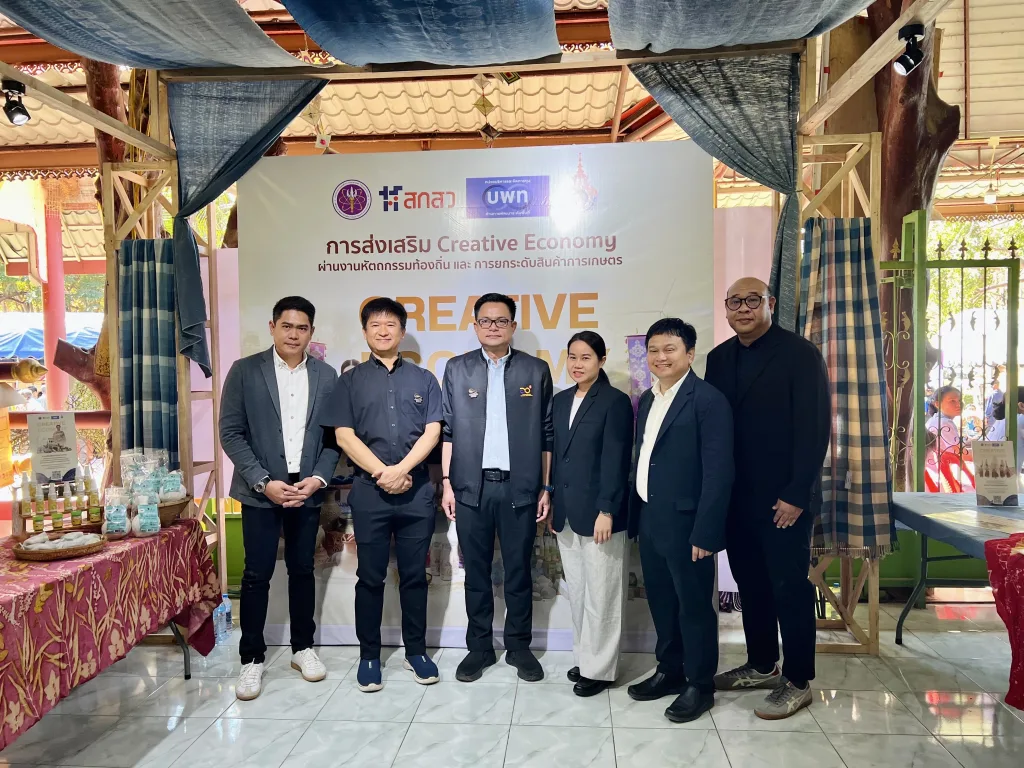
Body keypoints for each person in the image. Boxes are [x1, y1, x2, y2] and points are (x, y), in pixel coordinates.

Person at [705, 277, 830, 720]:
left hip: (784, 501)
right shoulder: (718, 358)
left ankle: (797, 680)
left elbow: (815, 428)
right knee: (750, 583)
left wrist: (797, 493)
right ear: (726, 308)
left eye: (752, 300)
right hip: (737, 497)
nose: (743, 308)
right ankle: (761, 664)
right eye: (735, 301)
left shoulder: (800, 354)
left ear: (770, 303)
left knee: (788, 588)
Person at [220, 296, 340, 701]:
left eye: (302, 327)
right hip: (261, 491)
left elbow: (333, 438)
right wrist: (262, 481)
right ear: (272, 327)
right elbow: (231, 432)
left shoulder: (326, 376)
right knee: (256, 575)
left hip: (305, 490)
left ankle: (302, 648)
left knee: (303, 569)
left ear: (311, 332)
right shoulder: (244, 371)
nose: (293, 334)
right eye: (286, 326)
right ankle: (251, 658)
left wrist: (318, 479)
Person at [321, 298, 443, 692]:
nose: (383, 330)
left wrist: (402, 470)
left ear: (402, 332)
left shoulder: (425, 379)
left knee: (415, 576)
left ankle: (416, 652)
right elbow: (344, 436)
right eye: (375, 325)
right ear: (365, 332)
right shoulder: (350, 381)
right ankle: (369, 656)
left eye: (391, 324)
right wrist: (383, 473)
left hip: (416, 492)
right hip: (369, 492)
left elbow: (433, 432)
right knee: (369, 577)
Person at [441, 292, 554, 683]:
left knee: (519, 571)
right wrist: (447, 484)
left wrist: (545, 486)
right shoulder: (456, 369)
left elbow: (546, 433)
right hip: (470, 487)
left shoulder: (535, 370)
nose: (493, 327)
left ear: (513, 326)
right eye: (485, 321)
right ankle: (479, 648)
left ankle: (519, 647)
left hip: (519, 488)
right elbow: (448, 431)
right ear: (475, 326)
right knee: (476, 573)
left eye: (501, 320)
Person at [627, 318, 734, 723]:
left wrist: (707, 530)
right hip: (651, 517)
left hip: (689, 524)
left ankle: (700, 684)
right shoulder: (648, 399)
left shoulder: (707, 400)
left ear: (689, 354)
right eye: (653, 350)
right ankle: (670, 670)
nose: (660, 357)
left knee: (694, 607)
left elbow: (719, 472)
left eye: (669, 349)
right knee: (662, 601)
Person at [550, 331, 634, 697]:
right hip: (567, 513)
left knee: (603, 593)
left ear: (601, 360)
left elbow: (617, 459)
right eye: (572, 356)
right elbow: (557, 456)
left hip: (601, 514)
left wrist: (607, 509)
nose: (577, 364)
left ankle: (600, 669)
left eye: (586, 357)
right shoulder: (560, 401)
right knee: (580, 592)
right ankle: (585, 657)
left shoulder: (615, 402)